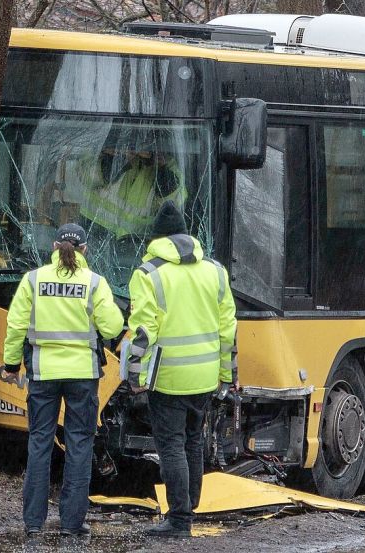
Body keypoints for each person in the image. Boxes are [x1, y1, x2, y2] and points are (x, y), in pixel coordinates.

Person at [1, 223, 124, 537]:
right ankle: (72, 523)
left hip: (43, 374)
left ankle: (33, 522)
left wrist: (12, 363)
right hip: (83, 375)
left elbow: (16, 326)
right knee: (80, 443)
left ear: (54, 247)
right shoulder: (94, 282)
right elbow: (112, 328)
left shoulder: (33, 279)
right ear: (84, 250)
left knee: (39, 441)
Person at [126, 201, 237, 537]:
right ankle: (190, 507)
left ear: (156, 238)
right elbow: (227, 329)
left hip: (169, 377)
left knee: (171, 445)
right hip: (204, 376)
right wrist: (227, 375)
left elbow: (144, 331)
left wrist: (135, 375)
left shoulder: (148, 274)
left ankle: (179, 520)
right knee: (193, 440)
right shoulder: (215, 271)